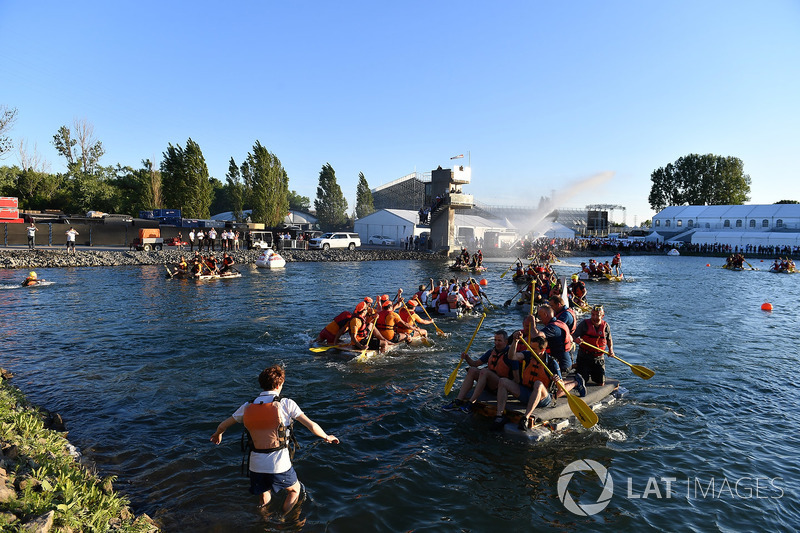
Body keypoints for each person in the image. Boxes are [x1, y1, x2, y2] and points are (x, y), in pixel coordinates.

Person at [210, 364, 339, 514]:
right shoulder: (286, 404)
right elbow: (311, 426)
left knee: (264, 494)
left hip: (256, 465)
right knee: (294, 490)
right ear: (279, 384)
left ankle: (264, 521)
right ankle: (283, 518)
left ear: (261, 384)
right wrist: (326, 436)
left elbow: (223, 425)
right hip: (279, 464)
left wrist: (218, 434)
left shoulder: (247, 406)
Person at [494, 334, 585, 431]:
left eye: (534, 349)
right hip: (526, 392)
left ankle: (525, 418)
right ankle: (499, 416)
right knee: (503, 381)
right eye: (531, 347)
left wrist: (557, 381)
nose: (531, 350)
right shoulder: (529, 355)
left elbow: (560, 388)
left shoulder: (551, 363)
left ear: (542, 350)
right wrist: (515, 342)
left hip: (543, 399)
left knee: (538, 383)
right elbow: (512, 356)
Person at [442, 330, 519, 412]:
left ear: (506, 341)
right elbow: (475, 364)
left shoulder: (511, 355)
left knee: (484, 371)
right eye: (495, 340)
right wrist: (467, 358)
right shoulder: (491, 352)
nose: (496, 343)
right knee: (472, 370)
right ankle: (458, 401)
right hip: (489, 384)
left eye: (499, 340)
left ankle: (471, 403)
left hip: (500, 387)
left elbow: (516, 379)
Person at [573, 305, 615, 386]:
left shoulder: (606, 326)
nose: (594, 317)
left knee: (600, 382)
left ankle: (578, 367)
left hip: (598, 358)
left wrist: (611, 350)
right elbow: (573, 336)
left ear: (602, 316)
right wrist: (576, 340)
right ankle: (577, 367)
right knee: (582, 381)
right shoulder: (584, 324)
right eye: (593, 315)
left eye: (597, 315)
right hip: (584, 356)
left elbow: (609, 340)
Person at [531, 305, 573, 374]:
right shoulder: (559, 323)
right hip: (565, 361)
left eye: (540, 316)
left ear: (545, 314)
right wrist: (540, 322)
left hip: (561, 366)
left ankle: (576, 382)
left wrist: (532, 322)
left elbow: (535, 336)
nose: (540, 318)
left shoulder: (553, 328)